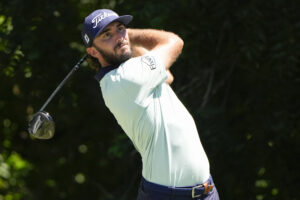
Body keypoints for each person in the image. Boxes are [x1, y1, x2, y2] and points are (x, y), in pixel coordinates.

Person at [81, 9, 220, 200]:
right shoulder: (126, 79)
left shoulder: (129, 74)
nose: (119, 37)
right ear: (93, 51)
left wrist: (122, 41)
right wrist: (130, 35)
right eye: (107, 35)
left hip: (206, 192)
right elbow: (174, 42)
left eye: (120, 28)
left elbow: (167, 77)